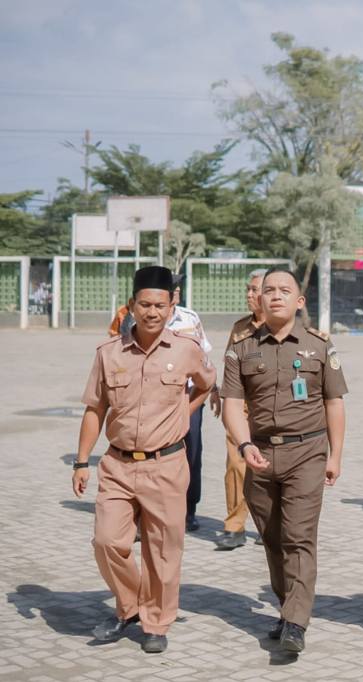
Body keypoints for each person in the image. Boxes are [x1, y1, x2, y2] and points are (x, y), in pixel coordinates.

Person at [72, 266, 215, 654]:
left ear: (173, 307)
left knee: (163, 551)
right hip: (117, 465)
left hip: (167, 465)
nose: (152, 312)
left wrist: (185, 413)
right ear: (131, 306)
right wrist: (81, 461)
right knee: (106, 541)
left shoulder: (187, 349)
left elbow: (206, 383)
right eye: (144, 304)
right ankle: (131, 604)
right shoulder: (108, 353)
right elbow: (94, 409)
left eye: (160, 305)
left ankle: (156, 622)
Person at [221, 268, 348, 654]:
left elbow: (334, 403)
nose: (274, 296)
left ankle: (296, 622)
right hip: (258, 453)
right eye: (268, 290)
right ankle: (286, 607)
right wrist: (244, 446)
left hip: (306, 453)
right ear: (259, 299)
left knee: (298, 538)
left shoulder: (320, 347)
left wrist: (336, 456)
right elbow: (231, 404)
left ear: (299, 301)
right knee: (273, 540)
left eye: (284, 290)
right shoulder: (240, 348)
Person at [215, 269, 266, 551]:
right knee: (236, 464)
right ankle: (234, 526)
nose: (249, 294)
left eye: (254, 290)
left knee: (269, 468)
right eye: (248, 289)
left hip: (273, 408)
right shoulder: (240, 328)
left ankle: (266, 523)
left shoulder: (283, 327)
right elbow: (229, 365)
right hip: (241, 407)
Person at [167, 275, 215, 532]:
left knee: (192, 453)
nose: (174, 295)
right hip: (155, 400)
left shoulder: (190, 318)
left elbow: (204, 355)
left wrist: (211, 387)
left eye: (176, 291)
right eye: (169, 290)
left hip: (189, 397)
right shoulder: (143, 317)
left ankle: (189, 510)